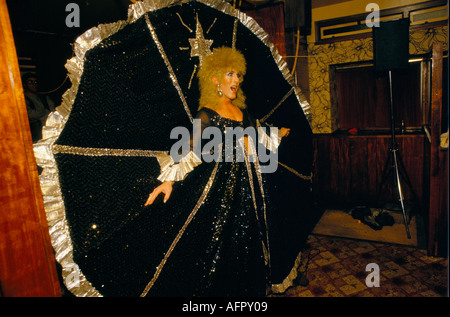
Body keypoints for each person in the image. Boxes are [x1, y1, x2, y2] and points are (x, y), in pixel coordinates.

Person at [143, 47, 290, 296]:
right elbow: (190, 150)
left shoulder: (243, 113)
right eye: (230, 74)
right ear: (215, 79)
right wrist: (169, 180)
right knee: (218, 253)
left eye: (239, 75)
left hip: (248, 194)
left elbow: (257, 135)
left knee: (247, 248)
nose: (236, 80)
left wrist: (277, 133)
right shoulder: (206, 115)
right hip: (218, 195)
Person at [22, 73, 55, 142]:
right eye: (30, 82)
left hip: (50, 127)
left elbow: (53, 111)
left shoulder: (44, 97)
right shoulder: (23, 98)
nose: (34, 84)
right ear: (25, 84)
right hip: (35, 130)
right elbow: (29, 114)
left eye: (35, 82)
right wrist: (45, 112)